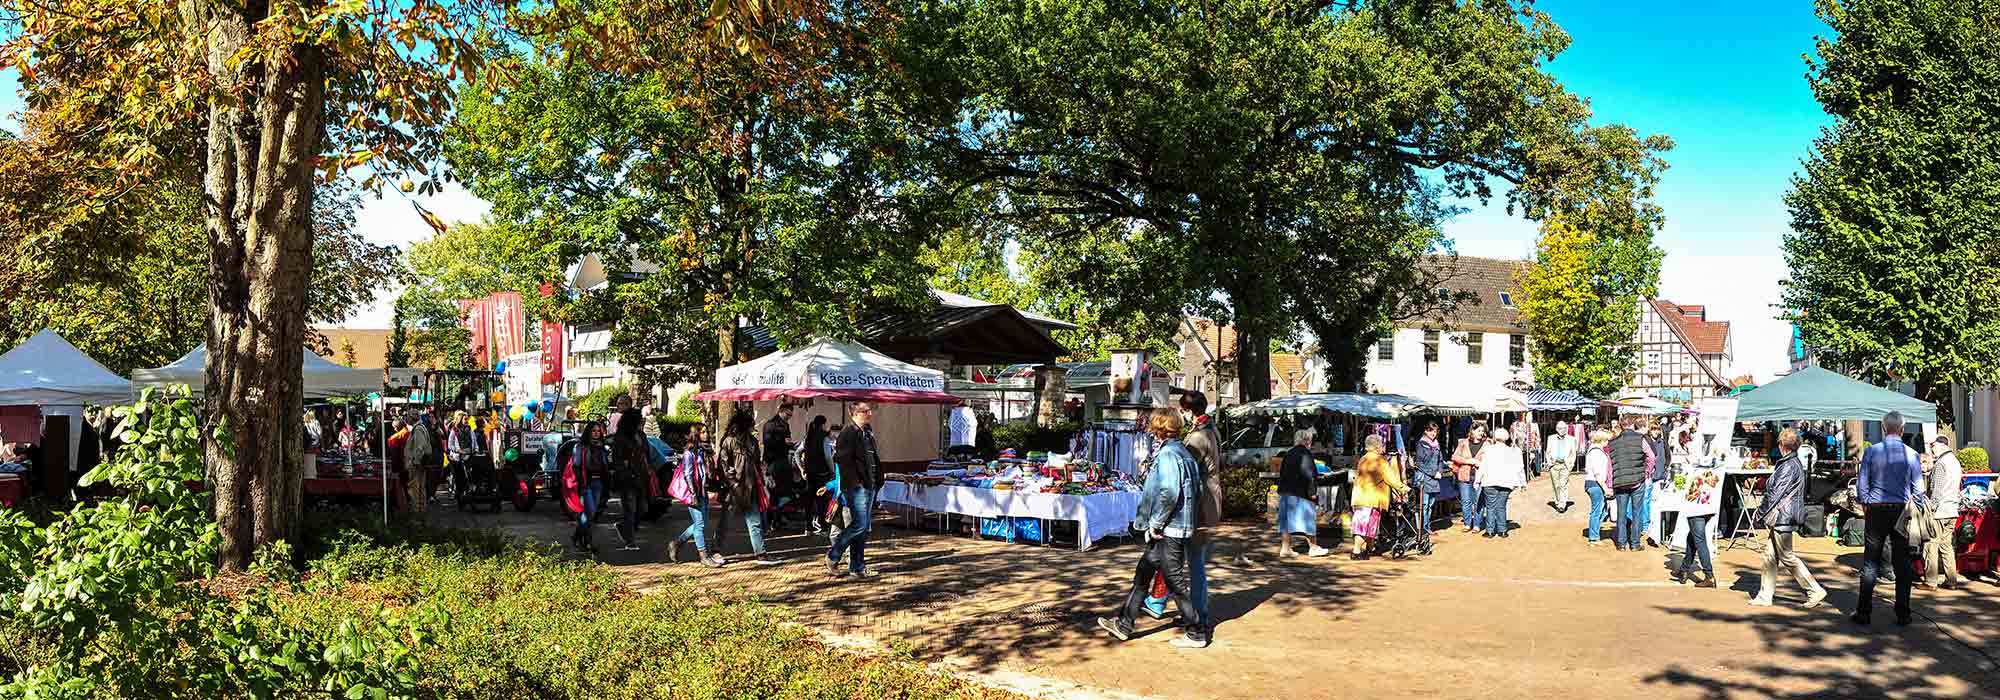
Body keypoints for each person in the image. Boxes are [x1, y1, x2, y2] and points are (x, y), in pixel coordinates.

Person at [1097, 410, 1209, 650]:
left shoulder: (1169, 454)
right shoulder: (1184, 453)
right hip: (1174, 527)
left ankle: (1197, 631)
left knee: (1175, 582)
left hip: (1169, 530)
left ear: (1158, 428)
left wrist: (1156, 523)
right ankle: (1124, 623)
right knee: (1143, 575)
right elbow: (1197, 490)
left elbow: (1169, 493)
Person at [1852, 411, 1924, 627]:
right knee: (1902, 563)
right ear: (1902, 430)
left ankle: (1864, 612)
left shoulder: (1871, 452)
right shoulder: (1912, 454)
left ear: (1884, 429)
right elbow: (1919, 489)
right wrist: (1915, 507)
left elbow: (1862, 484)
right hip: (1901, 510)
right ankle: (1903, 613)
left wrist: (1865, 504)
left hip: (1876, 509)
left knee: (1871, 562)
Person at [1751, 428, 1827, 607]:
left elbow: (1774, 494)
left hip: (1782, 517)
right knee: (1769, 555)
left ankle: (1814, 590)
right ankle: (1765, 596)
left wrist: (1759, 513)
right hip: (1784, 516)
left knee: (1787, 557)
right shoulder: (1791, 463)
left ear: (1782, 445)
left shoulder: (1788, 465)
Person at [828, 403, 885, 578]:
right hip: (857, 487)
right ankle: (834, 555)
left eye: (870, 411)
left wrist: (878, 479)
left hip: (871, 484)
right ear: (854, 413)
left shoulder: (867, 432)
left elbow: (872, 457)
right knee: (859, 524)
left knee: (863, 528)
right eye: (865, 411)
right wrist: (856, 482)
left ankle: (857, 567)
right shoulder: (848, 432)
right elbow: (841, 459)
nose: (869, 414)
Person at [716, 412, 776, 565]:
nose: (753, 427)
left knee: (754, 521)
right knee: (725, 523)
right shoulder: (729, 441)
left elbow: (756, 463)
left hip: (750, 487)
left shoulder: (752, 442)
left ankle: (760, 553)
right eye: (751, 424)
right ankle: (715, 550)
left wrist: (763, 478)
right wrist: (733, 483)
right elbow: (723, 466)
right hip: (734, 489)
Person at [671, 423, 724, 567]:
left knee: (701, 524)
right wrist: (694, 494)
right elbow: (688, 475)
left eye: (707, 431)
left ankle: (677, 543)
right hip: (694, 493)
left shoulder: (700, 451)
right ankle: (704, 556)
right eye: (703, 432)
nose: (706, 434)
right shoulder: (689, 453)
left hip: (702, 491)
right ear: (696, 434)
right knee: (700, 525)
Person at [1351, 434, 1408, 557]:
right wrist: (1404, 488)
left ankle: (1369, 549)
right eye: (1382, 444)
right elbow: (1391, 479)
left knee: (1367, 526)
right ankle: (1356, 551)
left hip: (1360, 497)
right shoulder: (1380, 460)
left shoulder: (1363, 458)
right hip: (1372, 499)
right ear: (1377, 446)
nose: (1383, 447)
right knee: (1365, 527)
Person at [1920, 435, 1963, 590]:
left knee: (1931, 544)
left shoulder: (1941, 463)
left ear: (1941, 445)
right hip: (1952, 510)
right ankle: (1951, 580)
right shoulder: (1955, 461)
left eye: (1933, 446)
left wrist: (1930, 508)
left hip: (1940, 511)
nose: (1931, 449)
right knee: (1946, 545)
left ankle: (1930, 581)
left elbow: (1936, 490)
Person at [1275, 428, 1326, 557]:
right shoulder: (1305, 454)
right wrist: (1312, 492)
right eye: (1310, 440)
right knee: (1308, 520)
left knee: (1286, 522)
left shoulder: (1289, 453)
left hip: (1286, 491)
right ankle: (1313, 547)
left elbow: (1282, 473)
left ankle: (1285, 548)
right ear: (1307, 440)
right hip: (1300, 492)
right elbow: (1309, 475)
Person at [610, 406, 649, 551]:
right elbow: (618, 460)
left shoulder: (641, 435)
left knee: (642, 509)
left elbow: (646, 453)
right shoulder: (621, 438)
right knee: (630, 509)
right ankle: (630, 541)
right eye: (639, 420)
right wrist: (626, 473)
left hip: (640, 476)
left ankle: (624, 528)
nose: (641, 422)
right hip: (628, 478)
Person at [1608, 415, 1650, 551]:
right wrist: (1647, 471)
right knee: (1637, 512)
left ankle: (1621, 543)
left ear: (1621, 425)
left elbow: (1610, 463)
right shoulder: (1641, 439)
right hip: (1638, 480)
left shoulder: (1612, 441)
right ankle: (1635, 543)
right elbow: (1652, 457)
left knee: (1621, 512)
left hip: (1619, 481)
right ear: (1633, 424)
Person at [565, 423, 607, 552]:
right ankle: (586, 541)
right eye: (593, 431)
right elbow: (576, 466)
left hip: (598, 483)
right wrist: (581, 485)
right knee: (590, 512)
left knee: (590, 514)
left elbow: (605, 466)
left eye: (598, 431)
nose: (596, 433)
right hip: (586, 482)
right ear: (588, 432)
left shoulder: (602, 448)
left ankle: (578, 537)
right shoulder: (580, 447)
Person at [1476, 428, 1525, 538]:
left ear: (1495, 437)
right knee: (1501, 506)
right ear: (1506, 437)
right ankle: (1502, 530)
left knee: (1490, 506)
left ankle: (1490, 531)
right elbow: (1519, 467)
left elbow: (1483, 466)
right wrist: (1522, 483)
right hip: (1506, 482)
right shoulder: (1512, 451)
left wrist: (1477, 480)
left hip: (1490, 481)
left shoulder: (1488, 450)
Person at [762, 404, 799, 529]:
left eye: (790, 416)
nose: (789, 417)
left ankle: (778, 517)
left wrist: (790, 444)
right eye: (787, 415)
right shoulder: (770, 425)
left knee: (785, 491)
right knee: (774, 491)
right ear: (781, 411)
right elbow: (767, 442)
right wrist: (782, 442)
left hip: (783, 460)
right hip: (773, 461)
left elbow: (787, 441)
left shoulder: (785, 425)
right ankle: (771, 520)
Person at [1450, 425, 1488, 532]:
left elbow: (1490, 459)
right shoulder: (1463, 443)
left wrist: (1481, 463)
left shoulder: (1487, 444)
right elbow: (1455, 457)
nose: (1481, 433)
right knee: (1466, 501)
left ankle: (1477, 524)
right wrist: (1468, 461)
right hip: (1464, 475)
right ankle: (1467, 523)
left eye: (1482, 431)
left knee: (1478, 502)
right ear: (1472, 431)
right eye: (1479, 430)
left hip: (1479, 477)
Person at [802, 415, 834, 534]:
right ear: (823, 424)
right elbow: (828, 456)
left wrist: (802, 469)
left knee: (809, 501)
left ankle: (808, 527)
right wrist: (832, 471)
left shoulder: (808, 437)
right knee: (821, 500)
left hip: (810, 473)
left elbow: (798, 452)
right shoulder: (824, 438)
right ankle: (823, 526)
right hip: (822, 473)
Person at [1413, 422, 1446, 530]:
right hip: (1424, 478)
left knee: (1430, 505)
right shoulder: (1421, 444)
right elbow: (1419, 464)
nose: (1433, 433)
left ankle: (1427, 526)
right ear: (1426, 431)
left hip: (1435, 479)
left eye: (1435, 431)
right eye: (1431, 430)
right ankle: (1423, 528)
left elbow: (1440, 460)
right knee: (1424, 505)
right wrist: (1433, 473)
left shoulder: (1436, 444)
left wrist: (1440, 472)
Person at [1642, 421, 1669, 547]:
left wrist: (1665, 467)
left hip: (1659, 476)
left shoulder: (1662, 442)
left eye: (1657, 429)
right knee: (1647, 500)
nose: (1656, 431)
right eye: (1653, 429)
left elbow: (1668, 456)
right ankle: (1646, 525)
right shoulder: (1646, 441)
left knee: (1656, 502)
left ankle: (1653, 524)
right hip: (1648, 476)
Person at [1583, 429, 1613, 545]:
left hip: (1594, 483)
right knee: (1597, 510)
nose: (1608, 443)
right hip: (1595, 484)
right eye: (1607, 440)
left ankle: (1594, 534)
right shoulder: (1596, 452)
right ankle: (1594, 537)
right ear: (1603, 440)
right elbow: (1598, 473)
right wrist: (1605, 488)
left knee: (1602, 510)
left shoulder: (1595, 450)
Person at [403, 414, 436, 514]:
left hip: (417, 465)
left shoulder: (417, 429)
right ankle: (420, 510)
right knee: (419, 487)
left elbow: (419, 447)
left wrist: (415, 462)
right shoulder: (419, 428)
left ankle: (417, 511)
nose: (406, 419)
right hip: (419, 464)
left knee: (415, 488)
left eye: (408, 417)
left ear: (412, 418)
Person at [1545, 421, 1576, 513]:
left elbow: (1573, 453)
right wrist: (1550, 463)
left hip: (1565, 465)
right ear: (1556, 429)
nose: (1561, 430)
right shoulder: (1551, 438)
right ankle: (1557, 501)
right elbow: (1548, 452)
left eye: (1563, 428)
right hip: (1554, 465)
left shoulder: (1571, 439)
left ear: (1566, 429)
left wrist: (1571, 465)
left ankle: (1562, 504)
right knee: (1556, 485)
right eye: (1559, 428)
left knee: (1563, 484)